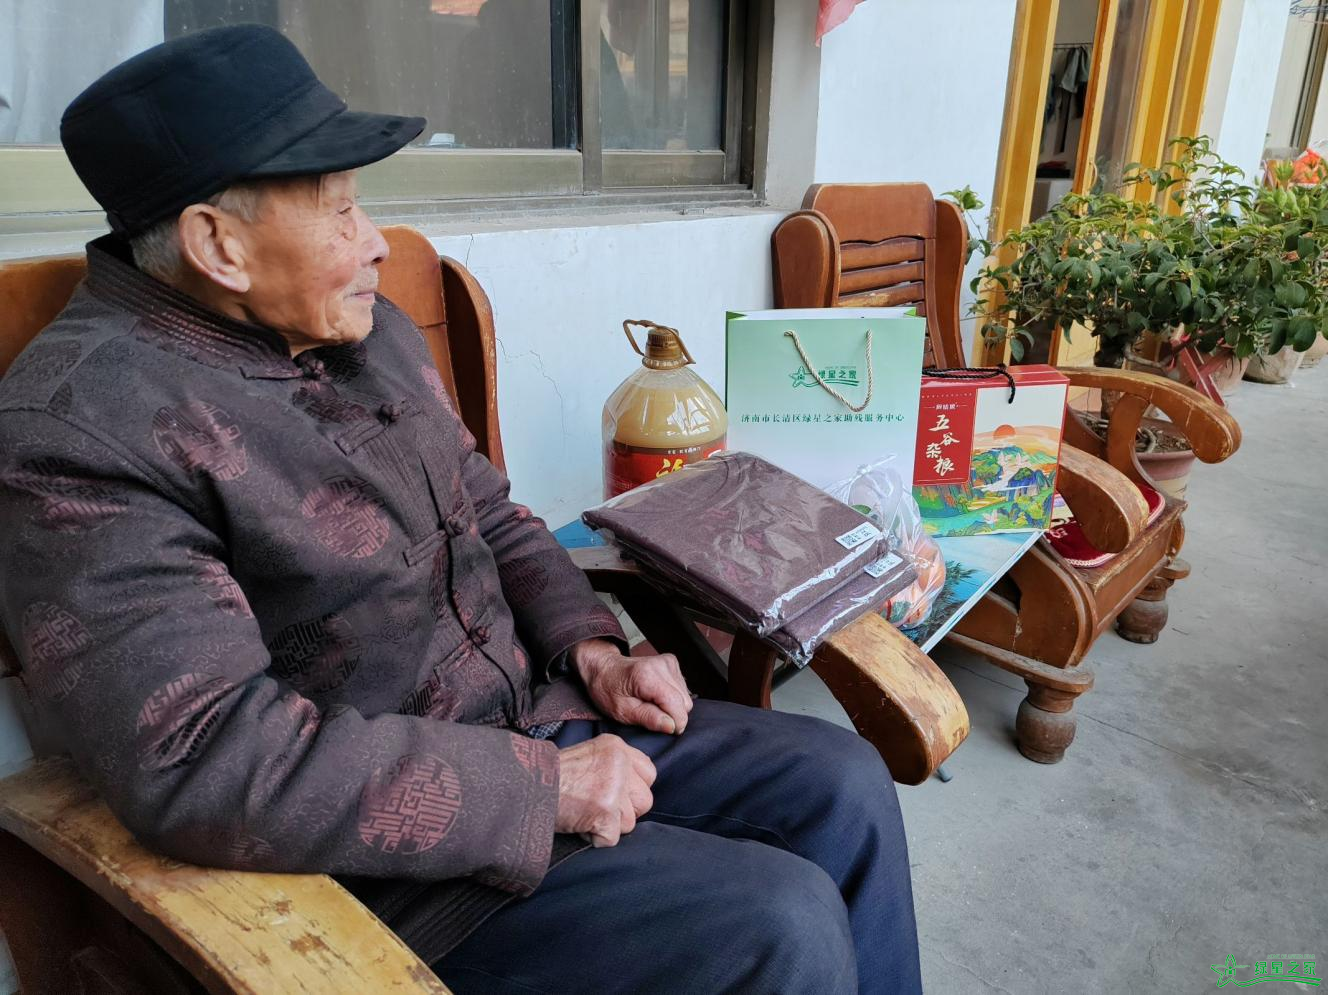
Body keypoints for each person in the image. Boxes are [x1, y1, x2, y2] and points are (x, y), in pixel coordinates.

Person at [0, 25, 921, 994]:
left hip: (539, 714)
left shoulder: (361, 331)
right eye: (340, 211)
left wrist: (590, 649)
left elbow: (486, 505)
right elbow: (207, 756)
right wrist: (542, 788)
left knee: (842, 785)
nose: (375, 241)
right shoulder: (81, 433)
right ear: (218, 245)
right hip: (389, 865)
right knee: (773, 923)